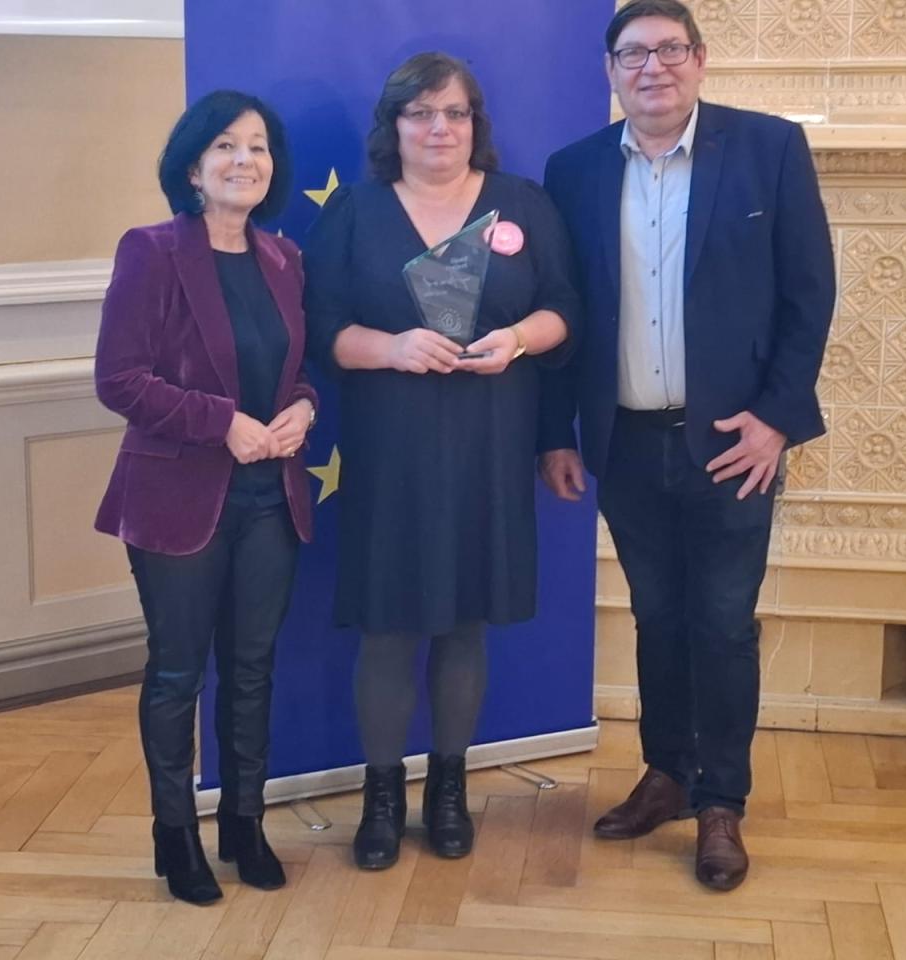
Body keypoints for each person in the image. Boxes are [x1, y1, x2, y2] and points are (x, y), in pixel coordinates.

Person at [539, 0, 835, 891]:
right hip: (626, 441)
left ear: (700, 61)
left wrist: (776, 419)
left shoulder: (768, 148)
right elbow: (563, 313)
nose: (653, 67)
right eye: (633, 54)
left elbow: (809, 293)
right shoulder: (574, 170)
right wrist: (556, 433)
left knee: (722, 623)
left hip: (734, 443)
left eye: (671, 49)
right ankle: (666, 773)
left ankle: (721, 803)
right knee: (658, 618)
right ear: (611, 71)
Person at [303, 52, 577, 871]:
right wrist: (390, 346)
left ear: (474, 123)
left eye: (455, 113)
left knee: (464, 624)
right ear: (393, 126)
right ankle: (381, 799)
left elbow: (567, 309)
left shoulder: (522, 202)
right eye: (420, 113)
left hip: (491, 443)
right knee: (389, 628)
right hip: (390, 452)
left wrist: (517, 339)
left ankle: (448, 792)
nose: (439, 128)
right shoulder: (354, 212)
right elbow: (321, 331)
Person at [94, 90, 317, 905]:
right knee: (178, 672)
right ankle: (176, 834)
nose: (243, 160)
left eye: (257, 146)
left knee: (251, 669)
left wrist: (304, 408)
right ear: (192, 167)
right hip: (176, 500)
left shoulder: (285, 258)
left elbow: (299, 367)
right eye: (225, 145)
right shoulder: (151, 251)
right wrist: (222, 423)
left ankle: (245, 826)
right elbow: (119, 379)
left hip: (271, 499)